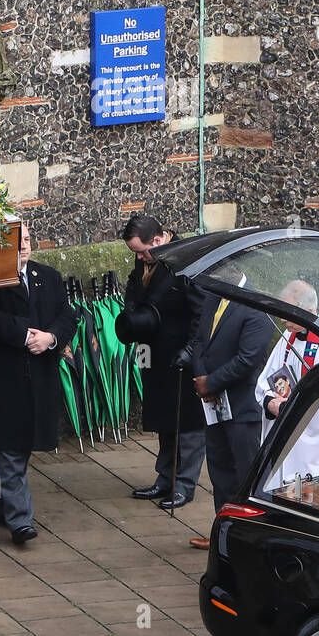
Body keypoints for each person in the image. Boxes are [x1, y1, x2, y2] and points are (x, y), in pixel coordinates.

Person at [0, 223, 75, 544]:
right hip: (3, 380)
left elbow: (67, 315)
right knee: (12, 448)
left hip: (39, 379)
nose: (25, 246)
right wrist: (26, 335)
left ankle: (2, 504)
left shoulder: (48, 276)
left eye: (27, 239)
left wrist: (52, 337)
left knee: (18, 448)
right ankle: (20, 520)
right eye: (17, 242)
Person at [115, 214, 204, 509]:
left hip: (181, 354)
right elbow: (135, 288)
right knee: (164, 420)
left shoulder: (187, 258)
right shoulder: (146, 257)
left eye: (142, 251)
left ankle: (185, 484)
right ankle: (164, 478)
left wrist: (190, 351)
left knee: (188, 424)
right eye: (135, 253)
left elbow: (200, 312)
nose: (140, 258)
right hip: (153, 351)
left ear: (158, 240)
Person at [184, 287, 275, 550]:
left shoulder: (255, 305)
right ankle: (223, 533)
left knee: (245, 473)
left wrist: (212, 382)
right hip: (214, 404)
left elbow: (248, 358)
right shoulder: (213, 296)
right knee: (219, 469)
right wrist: (203, 380)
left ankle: (249, 539)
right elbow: (200, 341)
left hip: (243, 405)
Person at [254, 280, 319, 490]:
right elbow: (265, 381)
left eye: (288, 312)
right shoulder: (288, 338)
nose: (282, 319)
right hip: (284, 435)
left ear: (308, 311)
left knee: (306, 493)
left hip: (314, 444)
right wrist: (271, 402)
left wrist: (291, 407)